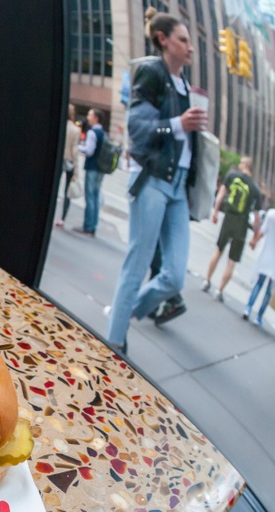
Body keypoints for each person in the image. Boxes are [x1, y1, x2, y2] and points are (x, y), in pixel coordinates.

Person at [105, 9, 206, 353]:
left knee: (175, 276)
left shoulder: (183, 85)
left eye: (190, 41)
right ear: (164, 40)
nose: (191, 47)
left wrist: (190, 186)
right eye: (183, 40)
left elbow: (186, 144)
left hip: (177, 188)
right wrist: (178, 123)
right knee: (137, 262)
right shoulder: (152, 71)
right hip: (151, 180)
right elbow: (138, 127)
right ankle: (113, 343)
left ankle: (123, 313)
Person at [201, 157, 263, 302]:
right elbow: (257, 217)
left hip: (229, 218)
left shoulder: (232, 176)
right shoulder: (255, 189)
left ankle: (207, 280)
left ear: (244, 165)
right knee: (232, 260)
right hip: (241, 224)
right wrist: (254, 236)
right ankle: (219, 289)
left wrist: (215, 211)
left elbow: (221, 195)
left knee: (218, 250)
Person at [75, 108, 107, 237]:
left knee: (90, 197)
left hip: (92, 167)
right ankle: (93, 226)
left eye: (90, 115)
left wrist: (77, 147)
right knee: (95, 196)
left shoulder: (93, 133)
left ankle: (87, 226)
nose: (88, 117)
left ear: (96, 118)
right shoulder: (103, 133)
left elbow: (89, 151)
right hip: (100, 168)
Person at [242, 208, 275, 326]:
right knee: (269, 291)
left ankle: (248, 308)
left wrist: (254, 240)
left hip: (266, 255)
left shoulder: (271, 214)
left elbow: (262, 231)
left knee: (259, 284)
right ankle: (259, 316)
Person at [55, 104, 81, 228]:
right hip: (70, 160)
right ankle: (62, 218)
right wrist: (76, 170)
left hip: (59, 159)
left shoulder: (59, 125)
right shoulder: (75, 130)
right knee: (67, 191)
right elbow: (75, 150)